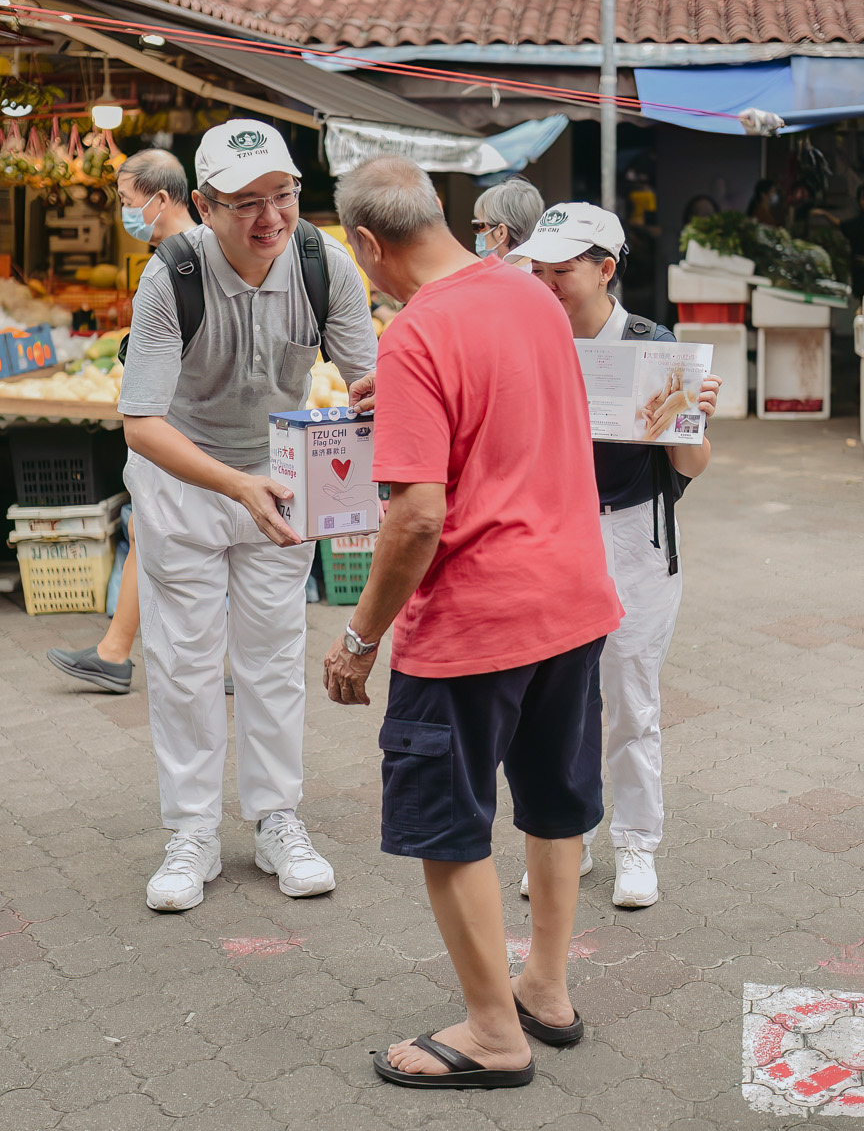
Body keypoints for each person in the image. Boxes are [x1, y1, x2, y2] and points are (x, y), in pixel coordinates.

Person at [322, 157, 622, 1090]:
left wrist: (359, 638)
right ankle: (546, 985)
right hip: (572, 596)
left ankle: (495, 1033)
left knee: (447, 825)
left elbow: (415, 517)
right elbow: (508, 409)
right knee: (553, 799)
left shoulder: (413, 335)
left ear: (367, 244)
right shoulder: (532, 294)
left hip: (474, 620)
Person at [117, 119, 378, 912]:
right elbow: (142, 423)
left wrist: (369, 471)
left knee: (270, 653)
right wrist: (234, 485)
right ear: (202, 204)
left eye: (283, 194)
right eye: (244, 203)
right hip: (184, 476)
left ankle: (275, 818)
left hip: (282, 475)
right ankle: (191, 830)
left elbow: (372, 383)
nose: (270, 217)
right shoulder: (171, 275)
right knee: (184, 657)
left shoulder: (323, 264)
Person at [514, 203, 719, 909]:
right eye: (535, 270)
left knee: (630, 692)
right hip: (550, 532)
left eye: (560, 271)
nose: (544, 284)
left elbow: (692, 463)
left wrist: (688, 413)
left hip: (634, 536)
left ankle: (636, 839)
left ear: (606, 270)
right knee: (554, 699)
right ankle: (565, 835)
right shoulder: (525, 339)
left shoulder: (651, 345)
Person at [45, 148, 197, 694]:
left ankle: (146, 655)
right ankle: (117, 650)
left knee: (167, 530)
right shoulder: (181, 255)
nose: (123, 212)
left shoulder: (182, 260)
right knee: (146, 526)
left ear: (160, 199)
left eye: (127, 201)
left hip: (178, 427)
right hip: (174, 426)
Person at [470, 177, 543, 260]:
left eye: (479, 226)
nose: (477, 233)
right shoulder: (542, 269)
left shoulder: (493, 272)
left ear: (501, 232)